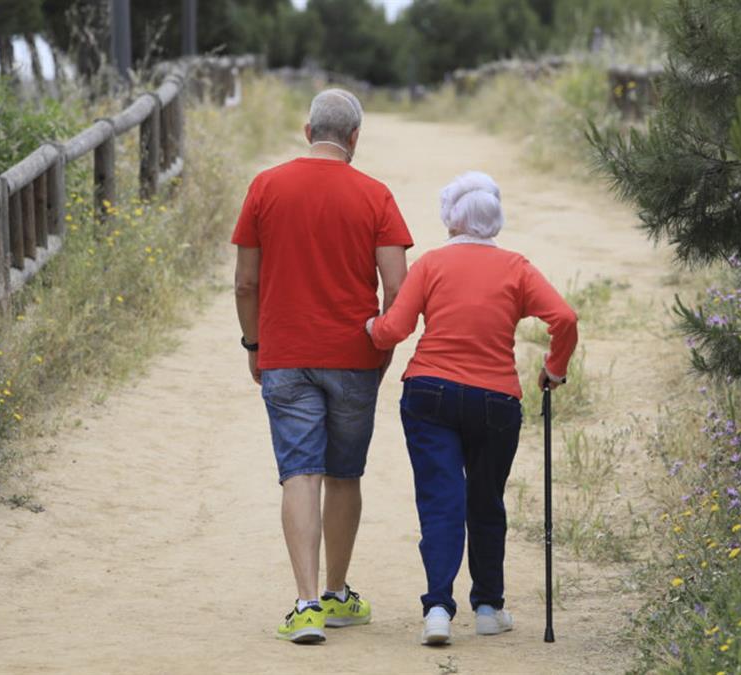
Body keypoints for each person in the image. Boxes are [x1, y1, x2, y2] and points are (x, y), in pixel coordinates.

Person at [232, 89, 413, 644]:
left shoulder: (265, 187)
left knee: (299, 472)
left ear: (308, 131)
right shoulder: (376, 195)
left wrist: (254, 346)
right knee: (344, 474)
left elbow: (245, 281)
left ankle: (305, 604)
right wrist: (380, 347)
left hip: (285, 355)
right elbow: (398, 289)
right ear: (354, 138)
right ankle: (337, 594)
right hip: (354, 357)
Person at [366, 171, 577, 645]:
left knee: (442, 502)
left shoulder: (431, 264)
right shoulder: (517, 267)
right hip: (495, 401)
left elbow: (394, 329)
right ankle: (487, 606)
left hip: (429, 393)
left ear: (451, 219)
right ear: (495, 221)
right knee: (486, 501)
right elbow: (564, 317)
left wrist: (370, 330)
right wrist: (554, 367)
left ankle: (438, 610)